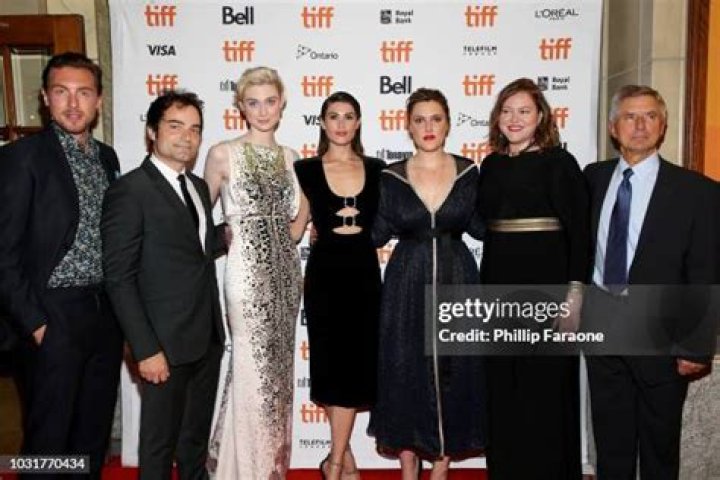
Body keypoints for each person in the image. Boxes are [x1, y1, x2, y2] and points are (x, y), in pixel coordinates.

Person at [583, 85, 718, 480]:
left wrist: (696, 344)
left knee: (660, 447)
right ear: (614, 127)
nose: (640, 125)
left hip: (664, 337)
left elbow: (705, 270)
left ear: (663, 126)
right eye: (630, 116)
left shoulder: (698, 192)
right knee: (611, 445)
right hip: (603, 327)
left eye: (650, 117)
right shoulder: (592, 179)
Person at [0, 52, 123, 479]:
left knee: (91, 436)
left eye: (83, 93)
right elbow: (3, 253)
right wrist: (36, 324)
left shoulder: (107, 158)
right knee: (47, 441)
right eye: (61, 92)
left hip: (104, 314)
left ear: (98, 101)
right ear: (45, 98)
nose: (73, 104)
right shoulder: (22, 157)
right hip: (53, 314)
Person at [101, 90, 225, 480]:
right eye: (175, 126)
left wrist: (235, 231)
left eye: (195, 129)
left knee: (194, 443)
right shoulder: (130, 190)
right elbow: (119, 277)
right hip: (163, 346)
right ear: (152, 132)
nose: (187, 137)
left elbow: (196, 249)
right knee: (158, 448)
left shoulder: (198, 187)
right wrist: (145, 348)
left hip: (206, 337)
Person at [369, 88, 486, 480]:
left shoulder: (469, 172)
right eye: (419, 120)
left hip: (458, 279)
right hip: (406, 283)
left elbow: (484, 227)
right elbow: (376, 233)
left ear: (448, 124)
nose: (428, 127)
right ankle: (408, 470)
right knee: (404, 371)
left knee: (456, 371)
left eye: (436, 118)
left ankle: (440, 469)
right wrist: (332, 228)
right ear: (408, 126)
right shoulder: (391, 176)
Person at [477, 77, 590, 479]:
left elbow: (580, 232)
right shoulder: (491, 165)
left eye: (524, 111)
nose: (514, 119)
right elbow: (481, 224)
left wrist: (574, 294)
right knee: (503, 388)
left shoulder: (560, 163)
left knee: (545, 389)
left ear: (541, 116)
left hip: (548, 287)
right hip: (498, 288)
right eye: (507, 111)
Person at [203, 66, 304, 479]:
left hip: (287, 274)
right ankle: (248, 470)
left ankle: (263, 467)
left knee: (278, 373)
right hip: (246, 274)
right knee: (251, 366)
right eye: (253, 102)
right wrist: (226, 236)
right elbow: (195, 219)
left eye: (270, 101)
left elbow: (295, 230)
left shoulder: (292, 158)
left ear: (282, 104)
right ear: (240, 107)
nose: (262, 111)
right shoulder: (222, 154)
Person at [293, 91, 385, 479]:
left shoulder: (378, 169)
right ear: (323, 122)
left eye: (349, 116)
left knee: (353, 368)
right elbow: (296, 228)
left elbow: (386, 225)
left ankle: (335, 462)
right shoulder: (306, 170)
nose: (342, 124)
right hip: (325, 279)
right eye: (334, 116)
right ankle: (340, 461)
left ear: (358, 122)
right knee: (331, 369)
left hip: (364, 278)